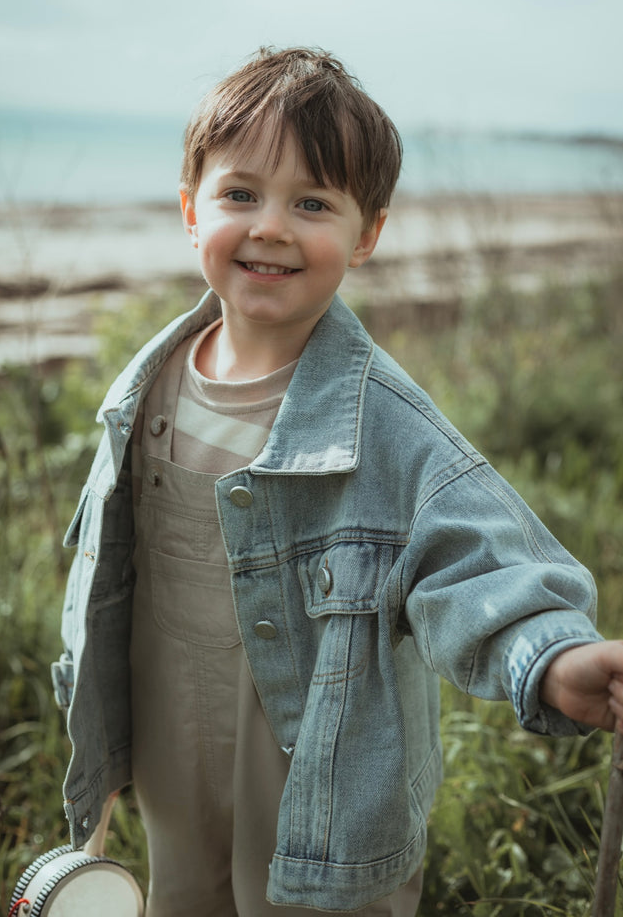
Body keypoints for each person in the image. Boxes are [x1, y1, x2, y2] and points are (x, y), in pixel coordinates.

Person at [52, 47, 623, 916]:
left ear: (366, 235)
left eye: (311, 202)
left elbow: (476, 555)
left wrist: (551, 657)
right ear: (189, 211)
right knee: (185, 891)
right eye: (240, 194)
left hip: (322, 764)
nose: (271, 226)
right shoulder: (150, 382)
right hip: (176, 725)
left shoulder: (385, 425)